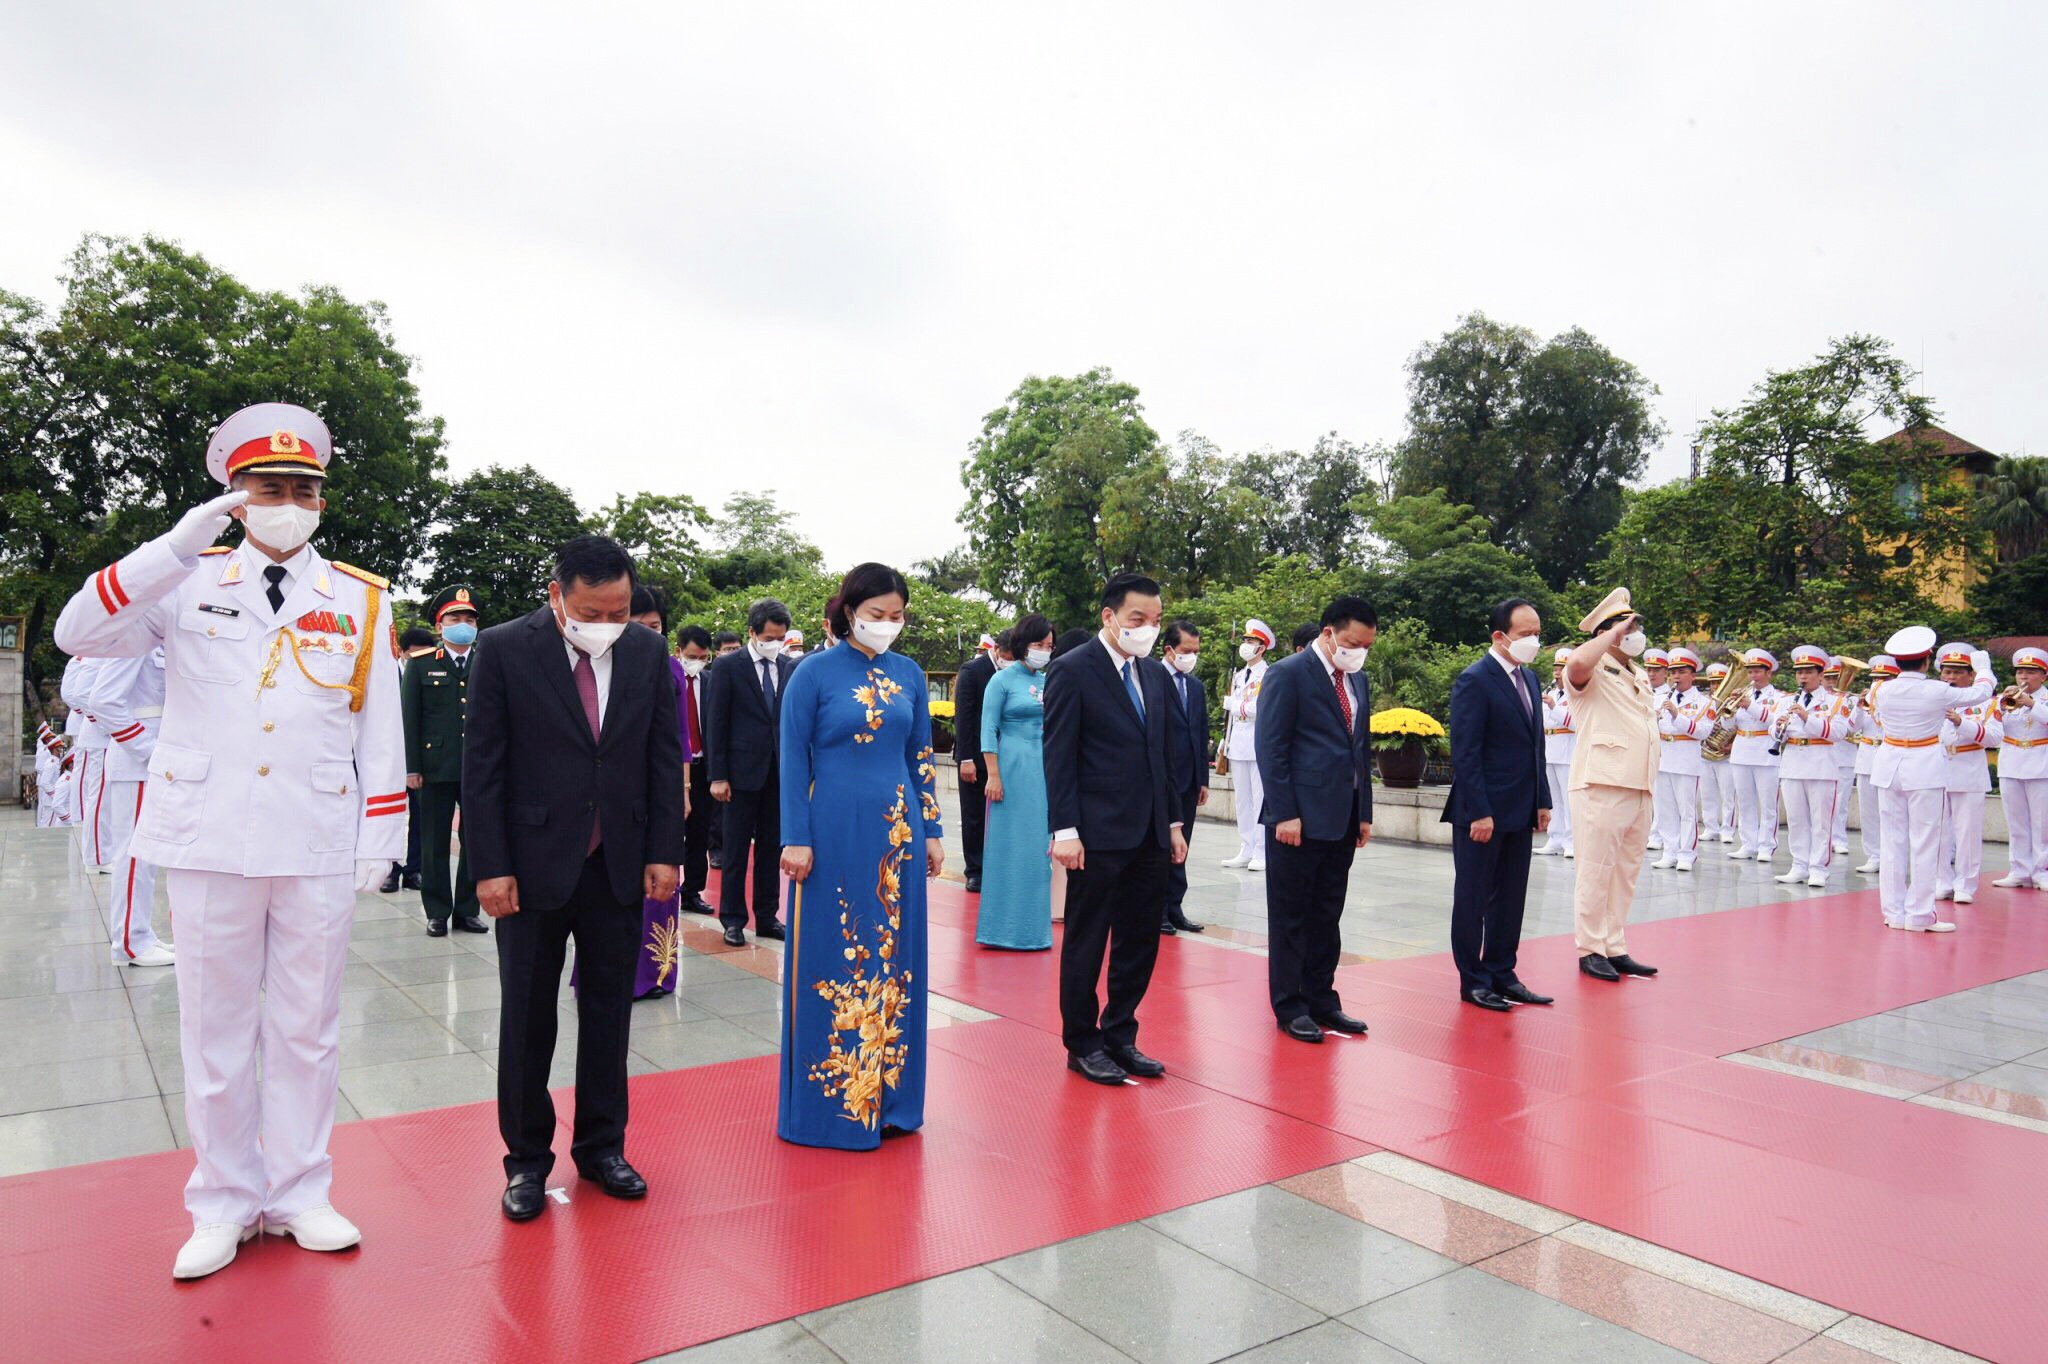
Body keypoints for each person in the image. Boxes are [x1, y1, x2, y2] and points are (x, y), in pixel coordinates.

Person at [54, 401, 404, 1279]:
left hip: (315, 833)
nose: (287, 499)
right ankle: (221, 1200)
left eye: (303, 488)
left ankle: (299, 1192)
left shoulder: (359, 598)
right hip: (209, 833)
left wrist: (381, 830)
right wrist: (173, 547)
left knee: (307, 1027)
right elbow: (77, 635)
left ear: (322, 499)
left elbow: (380, 729)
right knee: (213, 1028)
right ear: (233, 496)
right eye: (266, 486)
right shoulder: (185, 581)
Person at [464, 534, 684, 1222]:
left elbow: (661, 752)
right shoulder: (502, 649)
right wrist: (489, 865)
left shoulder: (647, 652)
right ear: (557, 596)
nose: (608, 623)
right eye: (594, 610)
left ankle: (601, 1148)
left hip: (616, 861)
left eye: (619, 609)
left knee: (608, 1015)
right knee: (527, 1019)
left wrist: (664, 851)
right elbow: (484, 767)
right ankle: (527, 1162)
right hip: (529, 869)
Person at [775, 563, 944, 1148]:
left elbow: (921, 752)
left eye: (897, 616)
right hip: (834, 831)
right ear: (849, 612)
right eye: (877, 615)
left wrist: (933, 828)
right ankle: (835, 1106)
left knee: (897, 959)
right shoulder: (814, 674)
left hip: (897, 834)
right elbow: (794, 759)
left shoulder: (911, 674)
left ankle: (891, 1100)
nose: (888, 625)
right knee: (837, 954)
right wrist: (795, 836)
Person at [1044, 573, 1186, 1085]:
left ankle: (1121, 1034)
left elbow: (1163, 755)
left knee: (1140, 940)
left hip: (1149, 832)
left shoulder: (1152, 676)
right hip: (1096, 833)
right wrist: (1064, 829)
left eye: (1153, 621)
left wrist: (1172, 822)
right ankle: (1082, 1042)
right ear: (1109, 617)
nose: (1147, 630)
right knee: (1088, 940)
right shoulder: (1072, 670)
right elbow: (1059, 756)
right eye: (1136, 620)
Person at [1261, 597, 1378, 1039]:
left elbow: (1359, 750)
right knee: (1291, 915)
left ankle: (1322, 999)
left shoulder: (1358, 680)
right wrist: (1284, 813)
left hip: (1342, 818)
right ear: (1328, 633)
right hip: (1298, 821)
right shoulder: (1288, 674)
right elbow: (1272, 749)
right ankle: (1290, 1005)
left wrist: (1363, 810)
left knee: (1327, 914)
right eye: (1352, 642)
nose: (1359, 651)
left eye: (1366, 645)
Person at [1444, 599, 1552, 1012]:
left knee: (1510, 897)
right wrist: (1479, 811)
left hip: (1520, 807)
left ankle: (1503, 973)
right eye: (1526, 634)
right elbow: (1466, 753)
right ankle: (1474, 980)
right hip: (1482, 811)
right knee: (1473, 899)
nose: (1533, 642)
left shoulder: (1531, 679)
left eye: (1537, 634)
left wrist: (1542, 799)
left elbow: (1535, 746)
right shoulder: (1475, 680)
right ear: (1499, 636)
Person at [590, 585, 692, 998]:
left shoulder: (668, 668)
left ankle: (655, 972)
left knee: (660, 882)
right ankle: (604, 973)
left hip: (658, 791)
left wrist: (682, 789)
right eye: (638, 623)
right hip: (613, 791)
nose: (647, 632)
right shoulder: (597, 661)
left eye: (655, 626)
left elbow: (679, 738)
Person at [1560, 589, 1660, 982]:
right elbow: (1579, 660)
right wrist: (1613, 632)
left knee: (1625, 871)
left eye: (1637, 627)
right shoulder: (1591, 668)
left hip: (1639, 784)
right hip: (1601, 783)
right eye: (1630, 627)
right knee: (1596, 871)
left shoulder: (1637, 673)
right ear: (1609, 632)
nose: (1637, 634)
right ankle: (1589, 949)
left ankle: (1614, 945)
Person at [1869, 628, 1992, 931]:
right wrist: (1983, 666)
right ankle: (1920, 915)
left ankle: (1894, 913)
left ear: (1897, 663)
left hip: (1889, 764)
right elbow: (1981, 692)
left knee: (1892, 842)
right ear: (1926, 661)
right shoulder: (1936, 690)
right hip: (1922, 766)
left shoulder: (1882, 690)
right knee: (1925, 843)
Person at [704, 598, 796, 946]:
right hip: (739, 774)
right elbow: (717, 723)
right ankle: (732, 918)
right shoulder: (730, 667)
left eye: (781, 637)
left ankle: (768, 916)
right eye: (769, 637)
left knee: (772, 848)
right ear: (752, 633)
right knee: (736, 848)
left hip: (777, 772)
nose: (775, 643)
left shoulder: (788, 667)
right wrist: (718, 775)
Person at [85, 644, 176, 965]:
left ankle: (141, 933)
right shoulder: (136, 637)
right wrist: (149, 751)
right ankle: (129, 943)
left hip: (159, 760)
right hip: (140, 763)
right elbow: (103, 701)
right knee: (135, 856)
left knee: (147, 860)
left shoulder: (162, 637)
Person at [402, 585, 483, 936]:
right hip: (434, 768)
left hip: (480, 767)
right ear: (440, 626)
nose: (462, 624)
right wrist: (412, 767)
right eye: (455, 618)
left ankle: (467, 909)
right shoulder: (420, 666)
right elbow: (410, 719)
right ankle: (437, 910)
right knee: (434, 841)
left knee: (476, 839)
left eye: (469, 618)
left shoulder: (488, 662)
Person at [977, 615, 1056, 950]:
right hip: (1010, 765)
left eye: (1049, 646)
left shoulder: (1050, 679)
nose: (1044, 652)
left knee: (1038, 849)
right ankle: (1000, 930)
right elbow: (987, 729)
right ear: (1023, 644)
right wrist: (993, 774)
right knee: (1008, 846)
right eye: (1039, 645)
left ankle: (1033, 931)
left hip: (1043, 764)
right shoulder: (1002, 680)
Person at [1773, 646, 1845, 890]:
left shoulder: (1836, 701)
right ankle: (1799, 864)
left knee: (1821, 821)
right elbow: (1773, 731)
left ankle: (1818, 868)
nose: (1802, 677)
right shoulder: (1785, 701)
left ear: (1820, 674)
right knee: (1796, 819)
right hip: (1792, 762)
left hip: (1821, 764)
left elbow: (1838, 732)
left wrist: (1806, 718)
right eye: (1799, 672)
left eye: (1808, 672)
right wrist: (1779, 729)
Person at [1935, 644, 2000, 906]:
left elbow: (1995, 737)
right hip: (1937, 769)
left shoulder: (1986, 702)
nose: (1950, 677)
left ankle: (1965, 884)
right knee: (1938, 832)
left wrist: (1963, 724)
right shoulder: (1934, 698)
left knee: (1967, 834)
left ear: (1971, 676)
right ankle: (1942, 880)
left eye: (1957, 672)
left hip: (1969, 768)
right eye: (1946, 672)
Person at [1159, 620, 1210, 934]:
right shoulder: (1151, 679)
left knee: (1182, 846)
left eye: (1195, 651)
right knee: (1161, 846)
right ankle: (1157, 909)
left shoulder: (1195, 686)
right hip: (1162, 777)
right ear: (1169, 649)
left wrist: (1203, 777)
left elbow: (1201, 731)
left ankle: (1175, 907)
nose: (1191, 656)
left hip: (1189, 778)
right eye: (1186, 651)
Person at [382, 624, 441, 893]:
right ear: (402, 652)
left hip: (421, 758)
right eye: (414, 654)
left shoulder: (434, 673)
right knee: (390, 816)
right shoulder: (385, 673)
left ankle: (414, 870)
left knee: (420, 817)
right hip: (389, 758)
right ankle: (390, 871)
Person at [1220, 618, 1274, 871]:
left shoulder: (1269, 675)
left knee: (1259, 800)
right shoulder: (1239, 675)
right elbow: (1231, 717)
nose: (1245, 645)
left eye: (1250, 642)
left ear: (1262, 648)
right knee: (1242, 801)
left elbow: (1261, 708)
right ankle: (1246, 848)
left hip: (1257, 742)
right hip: (1238, 743)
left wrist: (1235, 705)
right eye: (1244, 641)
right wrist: (1226, 739)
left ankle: (1262, 852)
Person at [1992, 647, 2048, 890]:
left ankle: (2042, 871)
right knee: (2016, 822)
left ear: (2043, 676)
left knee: (2042, 823)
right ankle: (2019, 870)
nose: (2023, 677)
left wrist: (2032, 704)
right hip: (2011, 762)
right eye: (2020, 672)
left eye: (2030, 672)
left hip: (2041, 763)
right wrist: (2001, 706)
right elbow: (1990, 727)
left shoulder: (2043, 700)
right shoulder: (2006, 699)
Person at [1651, 647, 1710, 872]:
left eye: (1682, 671)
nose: (1676, 676)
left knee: (1686, 811)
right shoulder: (1659, 699)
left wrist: (1677, 716)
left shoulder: (1704, 702)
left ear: (1692, 675)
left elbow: (1703, 732)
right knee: (1665, 809)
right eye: (1673, 672)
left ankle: (1687, 854)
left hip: (1686, 759)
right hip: (1664, 757)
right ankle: (1670, 850)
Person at [673, 624, 717, 915]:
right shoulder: (667, 679)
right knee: (670, 830)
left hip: (703, 767)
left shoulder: (711, 682)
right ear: (678, 652)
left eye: (702, 657)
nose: (696, 662)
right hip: (673, 767)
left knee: (700, 832)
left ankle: (693, 892)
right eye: (691, 656)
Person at [953, 628, 1001, 894]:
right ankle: (975, 871)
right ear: (997, 649)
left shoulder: (1015, 672)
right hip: (974, 756)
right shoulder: (973, 670)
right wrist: (966, 758)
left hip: (1002, 755)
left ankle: (996, 866)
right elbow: (964, 717)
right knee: (973, 815)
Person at [1727, 649, 1785, 862]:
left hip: (1765, 752)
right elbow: (1728, 723)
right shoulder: (1744, 694)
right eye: (1750, 672)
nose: (1753, 676)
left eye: (1758, 671)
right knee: (1745, 801)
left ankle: (1766, 846)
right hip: (1741, 750)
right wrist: (1728, 710)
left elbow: (1774, 721)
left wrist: (1749, 705)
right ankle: (1748, 844)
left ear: (1769, 673)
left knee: (1768, 803)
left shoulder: (1779, 698)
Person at [60, 655, 113, 872]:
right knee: (98, 795)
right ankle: (97, 857)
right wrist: (107, 722)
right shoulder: (92, 653)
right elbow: (76, 694)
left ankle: (101, 851)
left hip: (106, 733)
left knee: (101, 795)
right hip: (100, 734)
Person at [1849, 656, 1898, 875]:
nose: (1878, 683)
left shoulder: (1899, 702)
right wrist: (1860, 708)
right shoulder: (1865, 702)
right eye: (1875, 678)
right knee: (1868, 812)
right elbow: (1851, 728)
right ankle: (1874, 855)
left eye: (1884, 679)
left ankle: (1893, 855)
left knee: (1892, 812)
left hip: (1890, 757)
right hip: (1868, 757)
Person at [1535, 648, 1576, 857]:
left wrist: (1554, 708)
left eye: (1562, 668)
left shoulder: (1577, 694)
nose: (1557, 672)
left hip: (1568, 751)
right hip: (1549, 749)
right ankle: (1555, 838)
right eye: (1556, 667)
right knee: (1553, 799)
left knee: (1569, 800)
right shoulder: (1550, 693)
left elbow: (1579, 723)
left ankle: (1571, 841)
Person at [1700, 661, 1740, 846]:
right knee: (1707, 793)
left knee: (1728, 795)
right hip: (1705, 753)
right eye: (1713, 683)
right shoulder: (1704, 702)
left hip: (1725, 756)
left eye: (1720, 682)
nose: (1716, 686)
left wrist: (1732, 745)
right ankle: (1710, 828)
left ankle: (1727, 830)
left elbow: (1743, 728)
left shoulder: (1736, 703)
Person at [1823, 657, 1857, 856]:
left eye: (1835, 677)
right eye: (1827, 677)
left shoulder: (1849, 700)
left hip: (1843, 756)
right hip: (1820, 757)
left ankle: (1838, 839)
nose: (1831, 681)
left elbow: (1853, 727)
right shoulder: (1814, 699)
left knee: (1841, 802)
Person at [1642, 648, 1672, 851]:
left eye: (1656, 670)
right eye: (1649, 669)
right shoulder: (1642, 691)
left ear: (1665, 672)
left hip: (1663, 750)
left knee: (1662, 796)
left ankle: (1659, 834)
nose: (1651, 674)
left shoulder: (1670, 694)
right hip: (1642, 748)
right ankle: (1651, 832)